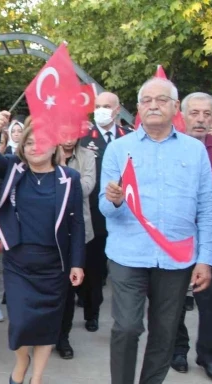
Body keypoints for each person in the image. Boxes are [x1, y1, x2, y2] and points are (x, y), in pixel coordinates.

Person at [102, 78, 212, 384]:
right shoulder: (119, 150)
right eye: (146, 100)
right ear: (138, 108)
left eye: (161, 100)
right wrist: (114, 201)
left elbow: (207, 209)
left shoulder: (194, 151)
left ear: (174, 107)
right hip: (128, 255)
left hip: (177, 259)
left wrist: (206, 257)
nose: (153, 105)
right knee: (125, 327)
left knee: (165, 332)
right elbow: (104, 209)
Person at [0, 113, 85, 384]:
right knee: (20, 323)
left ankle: (37, 379)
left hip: (54, 265)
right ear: (21, 147)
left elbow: (77, 224)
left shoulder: (69, 179)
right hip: (18, 261)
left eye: (40, 142)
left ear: (54, 146)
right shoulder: (15, 170)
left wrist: (77, 263)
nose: (34, 147)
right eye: (28, 142)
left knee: (46, 326)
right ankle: (21, 359)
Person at [170, 92, 212, 383]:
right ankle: (178, 348)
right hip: (176, 233)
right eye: (194, 113)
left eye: (206, 114)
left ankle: (207, 354)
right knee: (171, 296)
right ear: (182, 115)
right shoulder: (169, 148)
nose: (200, 119)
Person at [79, 92, 131, 332]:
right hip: (94, 213)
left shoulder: (128, 137)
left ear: (117, 109)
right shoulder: (83, 139)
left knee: (122, 269)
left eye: (106, 106)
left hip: (124, 213)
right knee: (94, 267)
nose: (101, 110)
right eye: (97, 106)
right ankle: (92, 312)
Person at [57, 128, 96, 359]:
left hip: (76, 229)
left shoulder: (87, 156)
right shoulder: (44, 152)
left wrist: (61, 170)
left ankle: (63, 337)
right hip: (47, 232)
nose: (68, 135)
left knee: (68, 290)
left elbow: (86, 187)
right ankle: (43, 335)